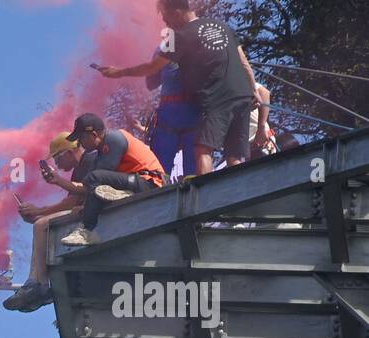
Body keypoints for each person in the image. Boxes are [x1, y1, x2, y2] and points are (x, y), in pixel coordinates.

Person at [96, 0, 261, 177]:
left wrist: (118, 72)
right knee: (234, 156)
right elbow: (243, 62)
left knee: (201, 151)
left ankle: (204, 194)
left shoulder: (176, 38)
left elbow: (152, 70)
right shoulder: (222, 26)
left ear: (176, 12)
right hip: (234, 97)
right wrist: (254, 91)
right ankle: (238, 193)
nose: (166, 23)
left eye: (166, 18)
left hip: (207, 103)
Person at [3, 132, 96, 311]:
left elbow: (71, 202)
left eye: (57, 158)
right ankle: (36, 283)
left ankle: (38, 284)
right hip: (85, 213)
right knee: (41, 224)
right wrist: (37, 215)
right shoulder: (81, 168)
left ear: (69, 152)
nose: (57, 164)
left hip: (93, 214)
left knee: (41, 225)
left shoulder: (89, 161)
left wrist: (39, 213)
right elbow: (69, 204)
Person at [59, 113, 167, 247]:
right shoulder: (100, 151)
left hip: (149, 182)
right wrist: (57, 181)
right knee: (96, 184)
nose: (80, 143)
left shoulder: (115, 139)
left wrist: (85, 208)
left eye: (82, 138)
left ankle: (86, 231)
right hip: (133, 182)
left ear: (94, 134)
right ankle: (124, 193)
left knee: (95, 178)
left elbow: (93, 181)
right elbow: (90, 186)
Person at [145, 58, 200, 177]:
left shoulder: (166, 50)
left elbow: (150, 82)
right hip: (183, 114)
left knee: (162, 169)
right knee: (161, 169)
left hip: (179, 114)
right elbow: (150, 82)